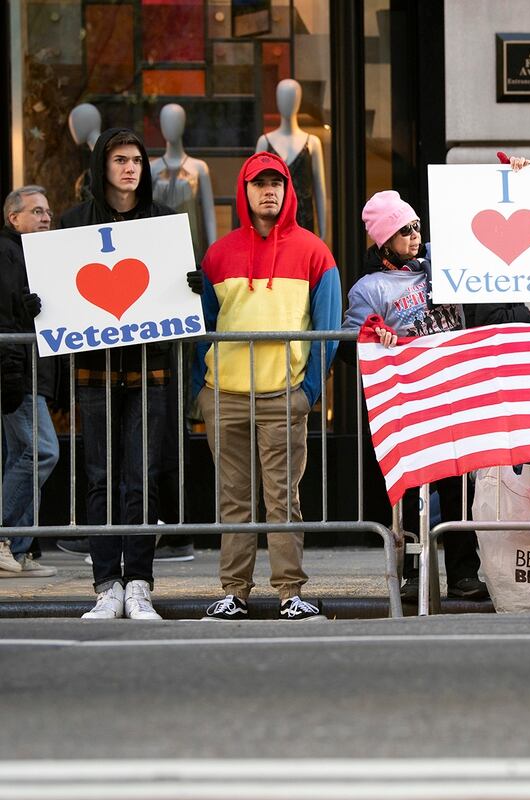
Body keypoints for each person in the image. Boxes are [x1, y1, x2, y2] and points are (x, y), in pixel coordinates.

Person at [56, 128, 197, 620]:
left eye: (137, 159)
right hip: (94, 369)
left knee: (141, 477)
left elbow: (179, 290)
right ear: (103, 165)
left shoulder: (162, 223)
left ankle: (138, 583)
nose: (130, 168)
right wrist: (40, 303)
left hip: (150, 367)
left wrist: (190, 285)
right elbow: (55, 290)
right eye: (120, 159)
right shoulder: (73, 224)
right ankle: (106, 585)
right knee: (98, 477)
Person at [195, 151, 341, 621]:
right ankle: (234, 592)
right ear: (245, 191)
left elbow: (328, 329)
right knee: (233, 500)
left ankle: (289, 593)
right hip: (225, 396)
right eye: (259, 184)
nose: (269, 190)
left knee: (283, 500)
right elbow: (200, 325)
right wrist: (202, 386)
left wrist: (309, 391)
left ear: (287, 189)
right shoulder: (218, 254)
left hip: (283, 395)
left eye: (276, 182)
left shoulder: (315, 252)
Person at [343, 187, 501, 600]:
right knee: (409, 488)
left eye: (416, 227)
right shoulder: (369, 288)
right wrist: (371, 330)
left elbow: (476, 224)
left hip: (453, 389)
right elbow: (347, 342)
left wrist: (508, 180)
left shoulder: (441, 265)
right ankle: (411, 573)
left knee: (458, 486)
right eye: (403, 230)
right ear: (383, 242)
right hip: (408, 399)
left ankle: (465, 574)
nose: (415, 236)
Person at [0, 186, 61, 578]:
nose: (45, 217)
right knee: (42, 452)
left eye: (48, 212)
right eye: (36, 211)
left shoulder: (35, 257)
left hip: (31, 373)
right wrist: (10, 377)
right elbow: (7, 321)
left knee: (19, 455)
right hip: (18, 374)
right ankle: (4, 537)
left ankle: (16, 554)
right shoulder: (6, 253)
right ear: (14, 218)